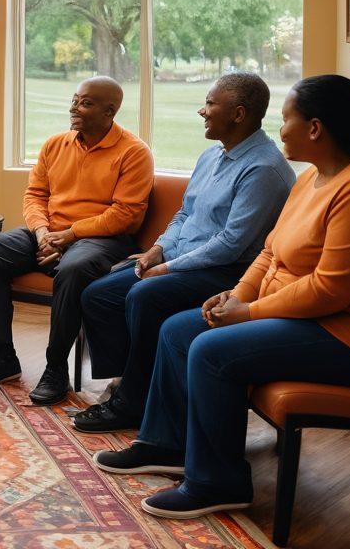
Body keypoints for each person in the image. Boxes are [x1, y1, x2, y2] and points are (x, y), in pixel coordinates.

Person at [94, 75, 350, 520]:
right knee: (178, 328)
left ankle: (219, 481)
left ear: (315, 128)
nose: (279, 129)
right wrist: (237, 294)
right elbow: (270, 251)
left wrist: (248, 312)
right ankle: (165, 445)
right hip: (296, 313)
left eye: (286, 118)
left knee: (210, 349)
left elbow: (330, 290)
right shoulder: (311, 178)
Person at [75, 73, 295, 432]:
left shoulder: (264, 169)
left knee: (146, 294)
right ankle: (133, 384)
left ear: (238, 114)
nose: (201, 111)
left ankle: (131, 403)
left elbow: (230, 244)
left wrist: (169, 268)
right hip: (184, 259)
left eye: (210, 104)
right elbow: (185, 213)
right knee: (99, 293)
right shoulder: (211, 155)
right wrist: (158, 250)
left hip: (228, 272)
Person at [0, 76, 154, 405]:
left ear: (110, 111)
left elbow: (127, 215)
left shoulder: (134, 152)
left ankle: (56, 369)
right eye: (74, 99)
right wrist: (42, 233)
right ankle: (3, 355)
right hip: (50, 232)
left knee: (74, 268)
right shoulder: (55, 144)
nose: (74, 107)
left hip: (103, 238)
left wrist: (69, 235)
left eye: (85, 103)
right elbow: (35, 196)